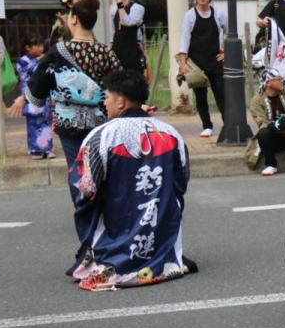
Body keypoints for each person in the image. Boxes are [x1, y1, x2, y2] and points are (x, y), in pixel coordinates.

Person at [70, 69, 195, 291]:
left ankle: (109, 257)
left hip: (116, 231)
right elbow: (181, 182)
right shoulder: (171, 133)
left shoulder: (101, 136)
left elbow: (85, 188)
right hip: (159, 232)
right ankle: (165, 257)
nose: (104, 103)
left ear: (120, 102)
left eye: (107, 97)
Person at [19, 0, 123, 242]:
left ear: (74, 19)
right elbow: (121, 84)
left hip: (69, 122)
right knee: (101, 171)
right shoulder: (105, 52)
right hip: (101, 122)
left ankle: (88, 234)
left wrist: (29, 99)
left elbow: (37, 88)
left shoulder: (59, 51)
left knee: (77, 172)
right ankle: (107, 226)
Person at [176, 0, 227, 138]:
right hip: (196, 63)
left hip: (215, 61)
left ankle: (228, 124)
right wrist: (183, 63)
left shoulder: (219, 14)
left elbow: (230, 32)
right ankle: (207, 126)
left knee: (221, 95)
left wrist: (226, 53)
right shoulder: (189, 15)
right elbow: (184, 39)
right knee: (200, 96)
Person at [12, 33, 55, 159]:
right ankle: (35, 150)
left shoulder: (44, 58)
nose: (41, 48)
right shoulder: (23, 61)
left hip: (45, 94)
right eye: (37, 45)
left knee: (47, 122)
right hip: (30, 95)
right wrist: (39, 61)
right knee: (33, 123)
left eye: (41, 45)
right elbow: (25, 73)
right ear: (28, 48)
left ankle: (47, 149)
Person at [108, 0, 146, 72]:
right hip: (117, 46)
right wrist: (110, 46)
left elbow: (127, 22)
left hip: (132, 47)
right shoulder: (112, 8)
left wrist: (120, 5)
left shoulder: (138, 8)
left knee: (133, 75)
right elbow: (112, 29)